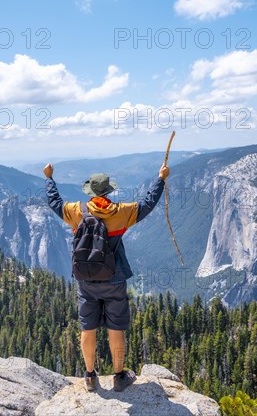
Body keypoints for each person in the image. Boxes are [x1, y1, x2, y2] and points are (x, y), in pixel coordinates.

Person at [43, 161, 170, 392]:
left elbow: (55, 203)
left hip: (86, 281)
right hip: (114, 279)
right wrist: (160, 179)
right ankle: (119, 376)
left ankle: (90, 377)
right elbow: (148, 203)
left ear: (90, 192)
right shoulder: (122, 212)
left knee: (87, 328)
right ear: (109, 191)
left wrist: (49, 178)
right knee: (116, 328)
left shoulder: (77, 211)